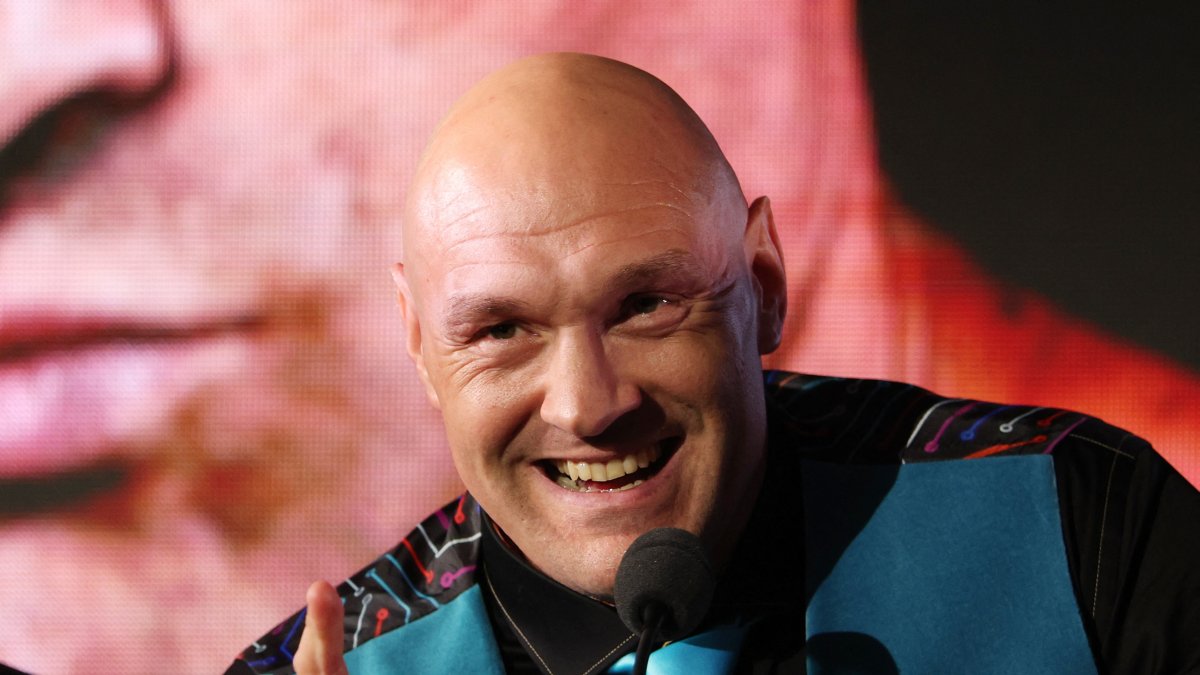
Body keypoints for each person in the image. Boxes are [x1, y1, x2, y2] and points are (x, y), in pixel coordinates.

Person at [230, 53, 1200, 674]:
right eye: (500, 331)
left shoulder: (1087, 529)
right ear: (419, 345)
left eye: (646, 305)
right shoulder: (327, 667)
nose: (587, 405)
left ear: (766, 283)